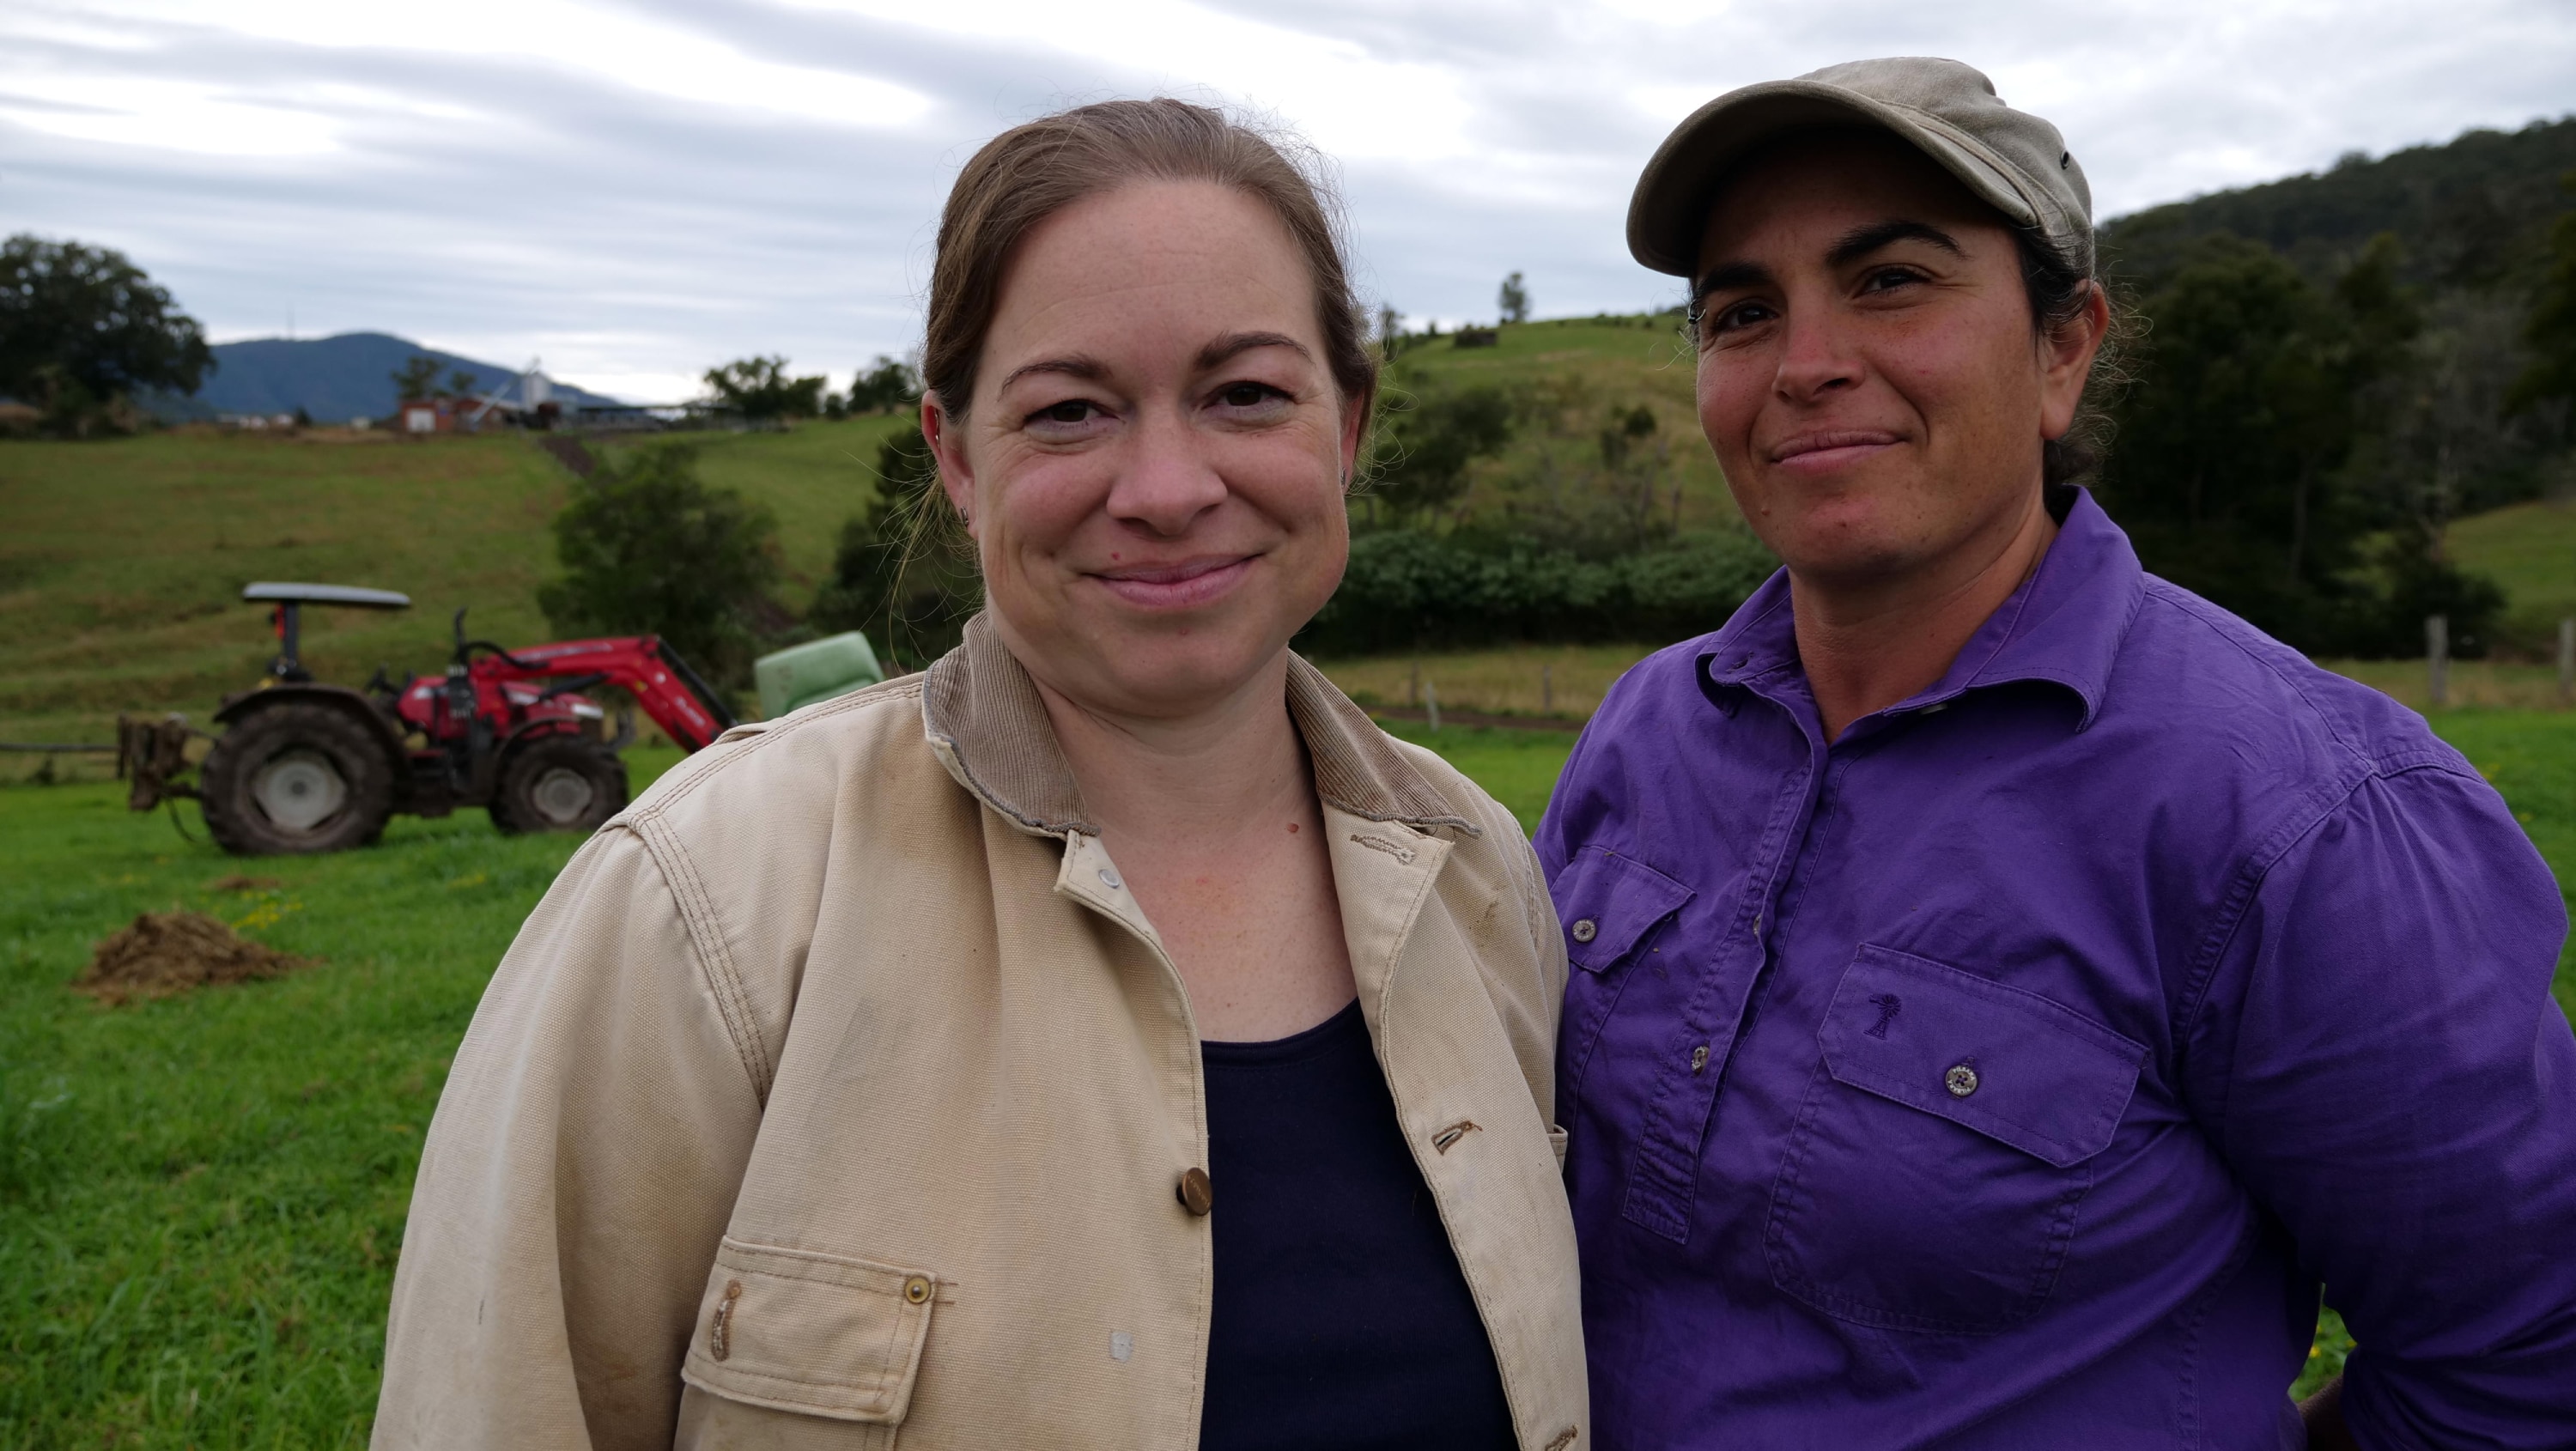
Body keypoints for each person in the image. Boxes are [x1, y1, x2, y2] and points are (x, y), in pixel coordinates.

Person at [374, 99, 1588, 1451]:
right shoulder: (704, 900)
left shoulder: (1477, 871)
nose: (1169, 486)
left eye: (1245, 392)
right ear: (956, 457)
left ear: (1348, 425)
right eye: (1070, 411)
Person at [1539, 57, 2576, 1451]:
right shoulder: (1646, 734)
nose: (1806, 363)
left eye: (1892, 279)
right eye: (1742, 311)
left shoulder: (2300, 811)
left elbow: (2522, 1355)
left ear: (2065, 347)